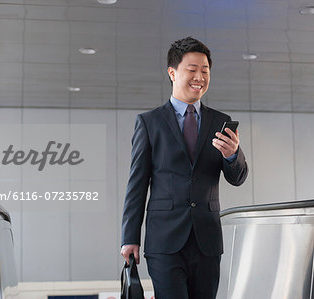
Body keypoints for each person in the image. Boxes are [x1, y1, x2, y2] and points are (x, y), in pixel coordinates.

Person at [120, 36, 248, 299]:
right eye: (192, 70)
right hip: (164, 241)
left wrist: (233, 156)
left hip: (207, 241)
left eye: (205, 71)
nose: (199, 77)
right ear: (172, 72)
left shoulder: (220, 121)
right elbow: (137, 183)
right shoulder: (149, 122)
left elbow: (238, 178)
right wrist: (129, 236)